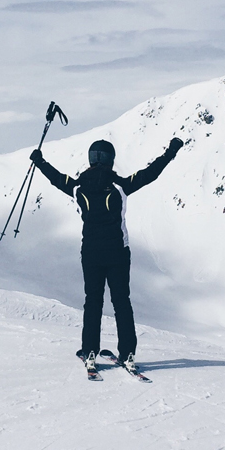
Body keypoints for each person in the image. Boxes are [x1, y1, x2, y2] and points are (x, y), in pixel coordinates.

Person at [30, 134, 184, 373]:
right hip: (118, 253)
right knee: (122, 302)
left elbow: (57, 179)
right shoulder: (121, 186)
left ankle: (90, 351)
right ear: (111, 160)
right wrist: (171, 150)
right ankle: (128, 354)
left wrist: (40, 162)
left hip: (91, 252)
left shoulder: (78, 187)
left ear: (90, 160)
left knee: (93, 302)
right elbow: (151, 172)